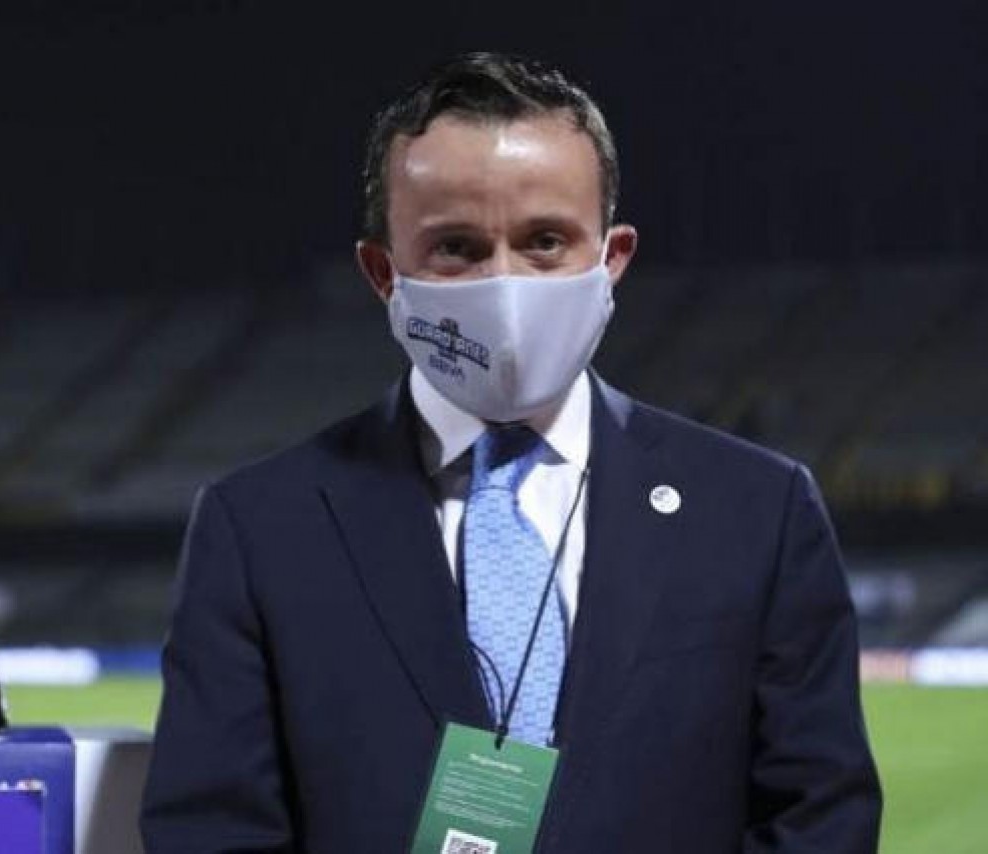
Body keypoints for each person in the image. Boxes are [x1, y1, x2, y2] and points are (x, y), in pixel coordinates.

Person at [141, 52, 881, 853]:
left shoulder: (759, 512)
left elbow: (820, 819)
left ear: (612, 258)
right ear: (383, 272)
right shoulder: (257, 529)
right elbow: (211, 834)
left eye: (545, 241)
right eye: (456, 247)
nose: (505, 284)